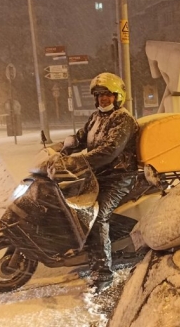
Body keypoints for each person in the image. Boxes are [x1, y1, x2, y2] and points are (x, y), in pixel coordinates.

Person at [50, 72, 139, 290]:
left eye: (107, 95)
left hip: (120, 177)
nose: (103, 99)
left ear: (117, 96)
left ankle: (104, 274)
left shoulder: (123, 119)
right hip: (99, 175)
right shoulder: (96, 117)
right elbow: (79, 138)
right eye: (99, 95)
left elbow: (108, 152)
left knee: (97, 217)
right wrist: (58, 149)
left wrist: (74, 162)